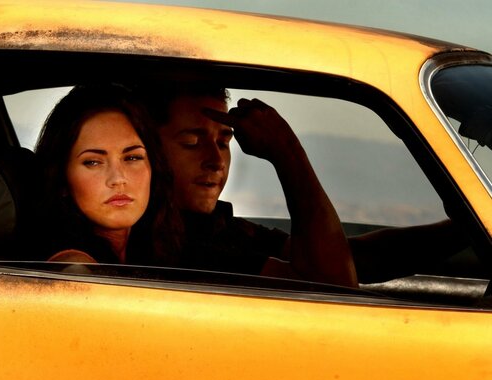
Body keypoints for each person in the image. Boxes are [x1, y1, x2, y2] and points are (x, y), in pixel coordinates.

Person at [140, 83, 358, 288]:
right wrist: (287, 152)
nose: (216, 162)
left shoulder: (214, 226)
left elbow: (348, 257)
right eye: (192, 143)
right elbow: (337, 288)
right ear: (149, 148)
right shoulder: (172, 248)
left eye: (223, 143)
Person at [35, 83, 181, 269]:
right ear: (62, 179)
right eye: (93, 162)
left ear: (154, 167)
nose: (118, 179)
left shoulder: (158, 244)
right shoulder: (72, 263)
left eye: (132, 157)